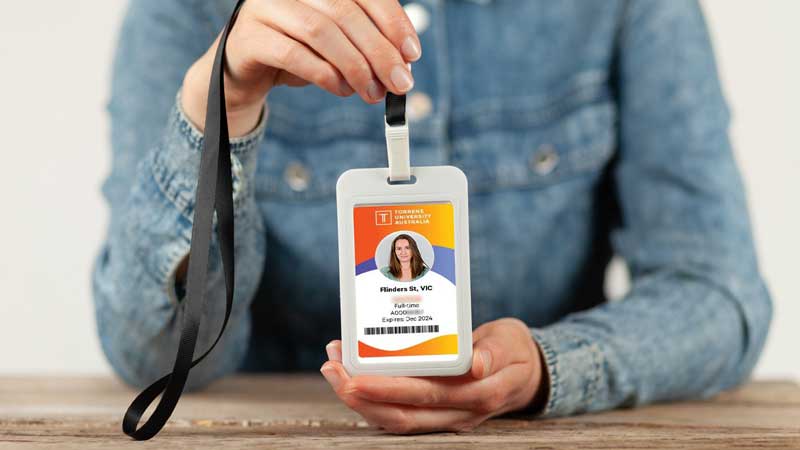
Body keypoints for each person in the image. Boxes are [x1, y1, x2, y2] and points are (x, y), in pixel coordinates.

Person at [93, 0, 772, 434]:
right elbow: (151, 354)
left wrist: (546, 369)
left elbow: (718, 293)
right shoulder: (187, 9)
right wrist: (224, 101)